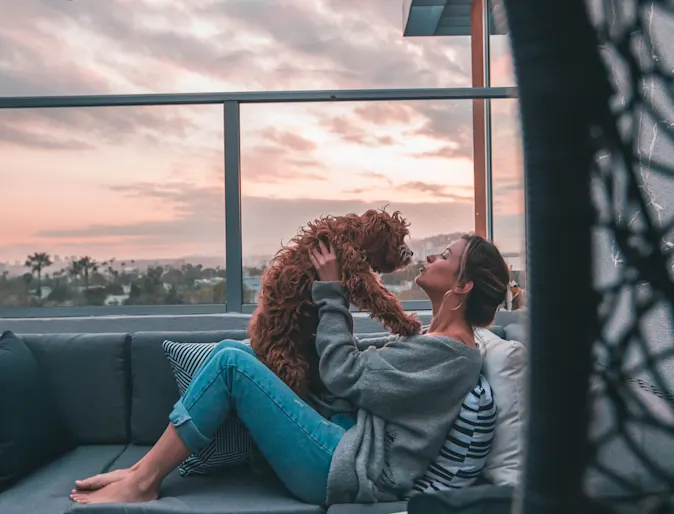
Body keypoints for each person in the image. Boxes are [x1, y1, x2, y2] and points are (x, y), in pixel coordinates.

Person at [69, 233, 510, 506]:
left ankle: (144, 481)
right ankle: (139, 470)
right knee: (232, 348)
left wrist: (331, 291)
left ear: (462, 285)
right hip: (342, 434)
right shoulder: (435, 342)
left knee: (228, 364)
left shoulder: (453, 355)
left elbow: (346, 374)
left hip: (342, 468)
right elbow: (362, 369)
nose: (431, 256)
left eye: (445, 256)